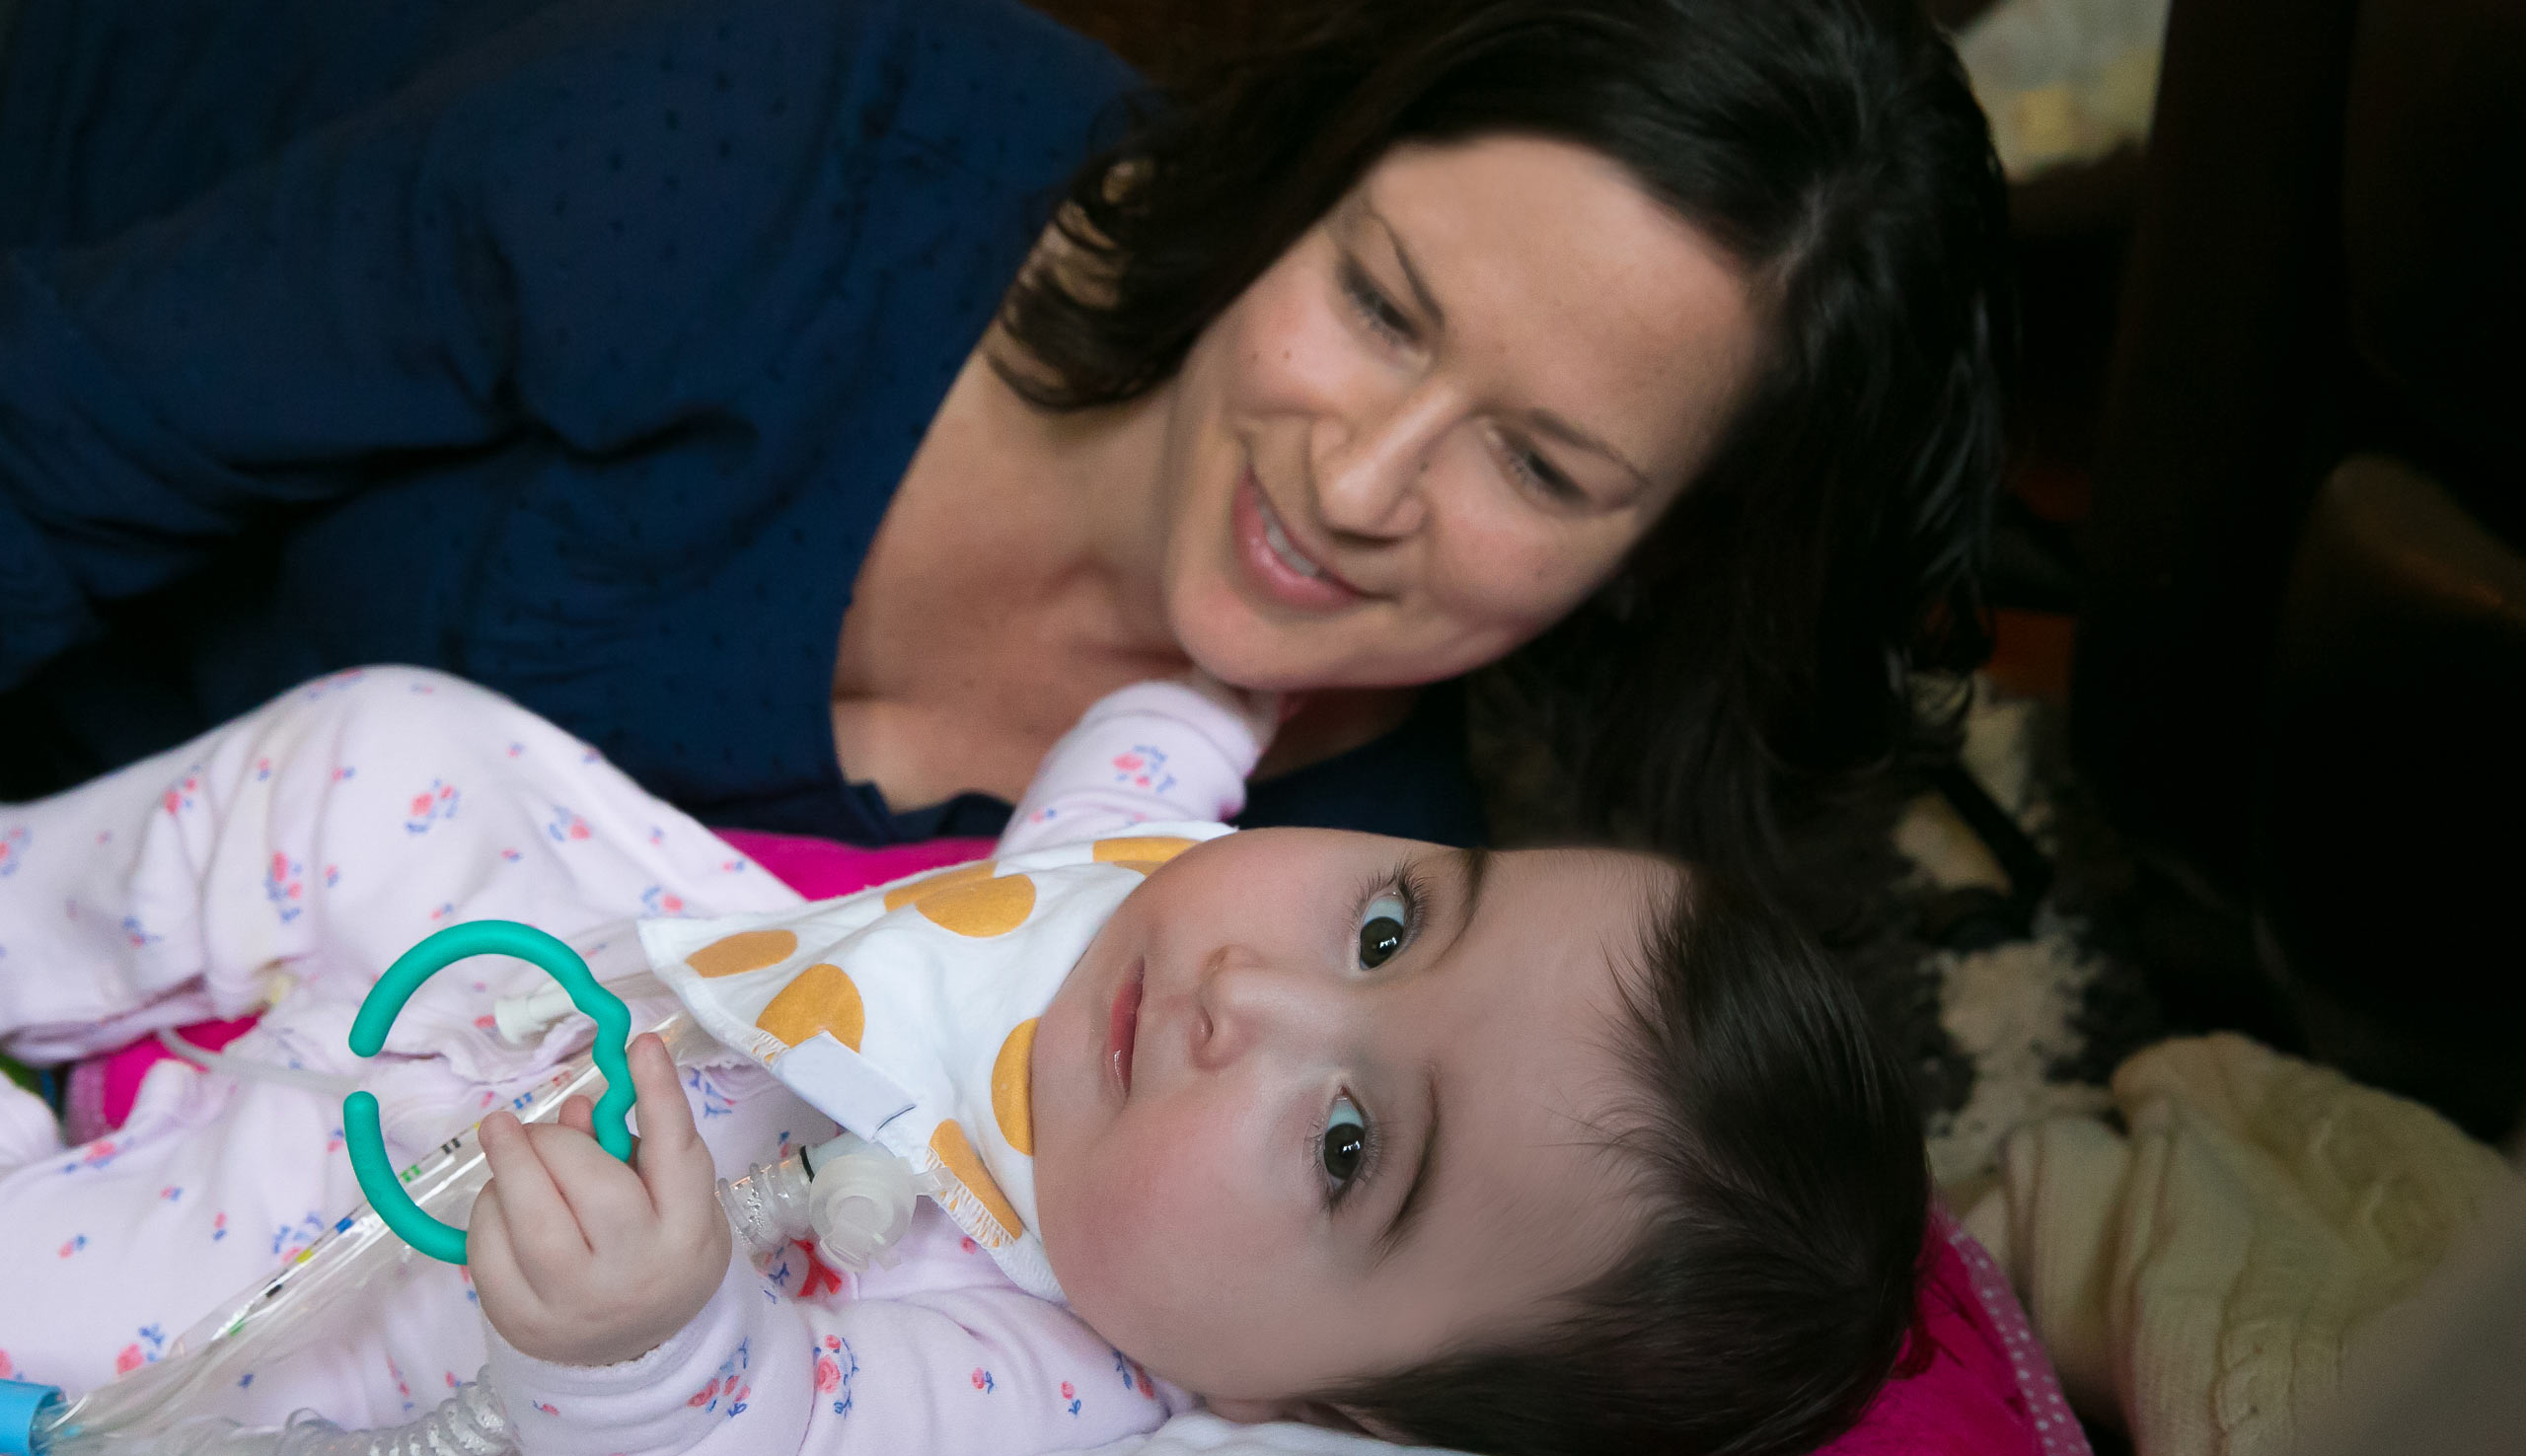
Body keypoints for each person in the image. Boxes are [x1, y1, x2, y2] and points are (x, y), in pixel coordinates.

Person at [0, 0, 2009, 873]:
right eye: (1380, 304)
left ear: (1659, 553)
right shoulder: (787, 138)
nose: (1357, 480)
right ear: (1304, 170)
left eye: (1541, 469)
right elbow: (54, 439)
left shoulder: (1340, 885)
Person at [0, 667, 1926, 1456]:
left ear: (1318, 1400)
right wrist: (1226, 693)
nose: (1241, 993)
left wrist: (649, 1337)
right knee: (383, 745)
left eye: (1347, 1146)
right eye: (1388, 917)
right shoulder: (1147, 914)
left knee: (98, 1297)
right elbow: (1126, 794)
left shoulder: (1047, 1365)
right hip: (569, 942)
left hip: (424, 1262)